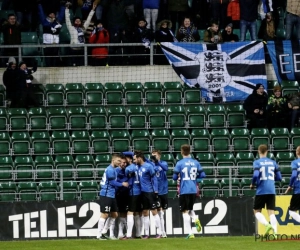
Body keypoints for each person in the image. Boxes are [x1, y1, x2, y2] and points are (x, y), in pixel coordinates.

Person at [173, 144, 205, 239]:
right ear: (189, 151)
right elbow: (203, 175)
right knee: (189, 208)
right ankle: (195, 219)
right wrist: (195, 179)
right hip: (193, 189)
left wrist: (179, 176)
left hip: (184, 189)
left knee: (184, 211)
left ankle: (190, 232)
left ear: (182, 152)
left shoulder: (180, 163)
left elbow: (174, 177)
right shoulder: (195, 162)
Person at [250, 144, 282, 238]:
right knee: (271, 212)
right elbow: (279, 178)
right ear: (267, 151)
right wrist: (271, 180)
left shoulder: (257, 162)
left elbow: (256, 175)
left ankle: (267, 225)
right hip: (271, 190)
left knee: (256, 211)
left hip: (261, 190)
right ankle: (275, 233)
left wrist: (252, 184)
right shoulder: (273, 162)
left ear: (258, 151)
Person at [96, 153, 129, 240]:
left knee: (114, 214)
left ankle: (104, 232)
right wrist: (122, 184)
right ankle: (99, 235)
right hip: (106, 194)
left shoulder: (114, 169)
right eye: (118, 161)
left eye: (120, 161)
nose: (119, 162)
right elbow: (112, 182)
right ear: (113, 160)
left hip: (112, 194)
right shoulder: (110, 170)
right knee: (104, 214)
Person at [134, 150, 162, 239]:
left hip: (150, 192)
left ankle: (160, 232)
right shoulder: (137, 167)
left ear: (139, 158)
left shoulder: (149, 166)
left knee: (154, 211)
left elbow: (154, 179)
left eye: (135, 159)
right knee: (145, 212)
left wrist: (156, 190)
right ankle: (146, 233)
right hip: (142, 192)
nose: (134, 160)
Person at [65, 1, 96, 66]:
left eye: (79, 20)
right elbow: (67, 19)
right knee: (74, 65)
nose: (78, 21)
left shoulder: (83, 28)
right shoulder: (71, 28)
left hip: (81, 49)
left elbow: (88, 20)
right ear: (74, 22)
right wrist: (67, 9)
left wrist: (92, 10)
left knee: (81, 65)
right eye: (76, 20)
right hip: (73, 50)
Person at [38, 1, 66, 67]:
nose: (53, 15)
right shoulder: (45, 22)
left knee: (55, 60)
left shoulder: (57, 21)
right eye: (51, 14)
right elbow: (41, 13)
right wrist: (39, 5)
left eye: (53, 14)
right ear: (48, 15)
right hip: (47, 44)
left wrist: (62, 6)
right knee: (48, 60)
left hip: (55, 44)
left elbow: (61, 14)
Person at [123, 151, 143, 239]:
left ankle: (128, 234)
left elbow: (127, 179)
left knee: (130, 212)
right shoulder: (140, 166)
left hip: (133, 192)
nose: (125, 160)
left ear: (130, 159)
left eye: (126, 158)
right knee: (138, 213)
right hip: (141, 192)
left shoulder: (128, 168)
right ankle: (138, 234)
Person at [150, 149, 168, 238]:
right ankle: (161, 232)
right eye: (152, 155)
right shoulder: (150, 165)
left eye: (155, 155)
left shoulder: (163, 163)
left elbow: (166, 169)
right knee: (158, 212)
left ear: (159, 156)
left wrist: (157, 162)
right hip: (155, 191)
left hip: (163, 190)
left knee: (162, 213)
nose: (153, 156)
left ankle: (163, 232)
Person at [284, 146, 300, 224]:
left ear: (297, 152)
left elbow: (294, 175)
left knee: (291, 211)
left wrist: (290, 186)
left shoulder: (295, 162)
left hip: (298, 191)